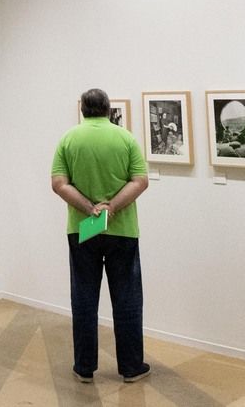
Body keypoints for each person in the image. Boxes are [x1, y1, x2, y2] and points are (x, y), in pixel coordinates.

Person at [50, 88, 150, 385]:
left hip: (83, 229)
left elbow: (58, 183)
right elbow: (140, 181)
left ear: (82, 109)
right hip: (122, 229)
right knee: (127, 298)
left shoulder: (69, 139)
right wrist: (112, 207)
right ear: (109, 109)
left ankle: (84, 367)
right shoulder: (125, 138)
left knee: (83, 297)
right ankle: (131, 367)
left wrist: (90, 209)